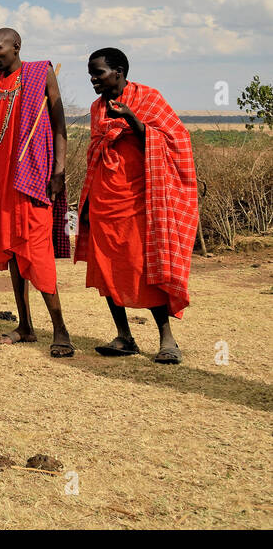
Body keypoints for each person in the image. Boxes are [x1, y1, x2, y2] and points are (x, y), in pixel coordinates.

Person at [77, 48, 198, 364]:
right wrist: (87, 203)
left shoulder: (148, 98)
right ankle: (124, 336)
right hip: (104, 198)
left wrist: (131, 118)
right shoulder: (96, 107)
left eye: (98, 72)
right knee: (106, 269)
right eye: (90, 73)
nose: (93, 79)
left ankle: (167, 339)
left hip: (139, 199)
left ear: (118, 71)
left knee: (144, 267)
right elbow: (95, 150)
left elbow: (174, 141)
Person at [0, 28, 73, 357]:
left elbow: (59, 125)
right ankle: (25, 326)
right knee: (13, 250)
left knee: (36, 251)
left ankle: (60, 330)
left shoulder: (40, 73)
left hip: (33, 177)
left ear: (16, 47)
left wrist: (59, 172)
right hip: (1, 177)